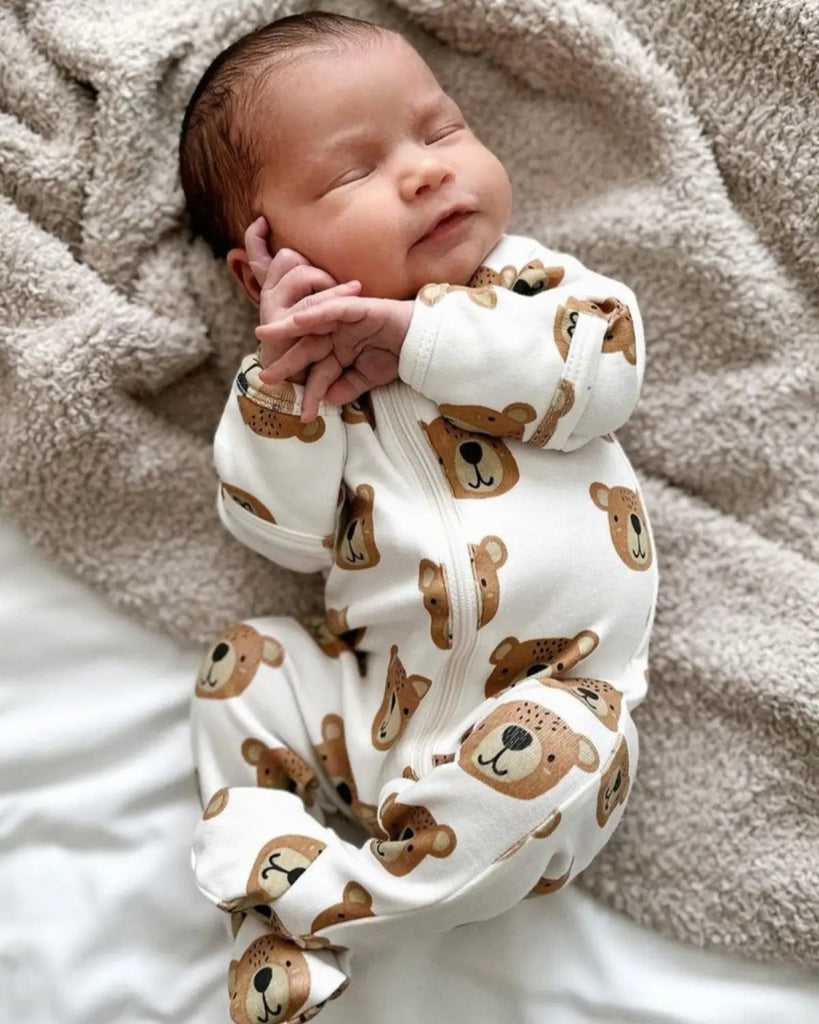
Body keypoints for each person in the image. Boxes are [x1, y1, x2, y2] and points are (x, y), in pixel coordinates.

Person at [179, 11, 659, 1023]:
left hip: (546, 713)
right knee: (241, 667)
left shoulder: (532, 291)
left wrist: (414, 339)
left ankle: (313, 902)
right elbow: (282, 533)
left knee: (575, 743)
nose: (426, 170)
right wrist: (283, 382)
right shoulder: (300, 384)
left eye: (441, 130)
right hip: (373, 713)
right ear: (262, 264)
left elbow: (601, 376)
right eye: (354, 172)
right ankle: (283, 911)